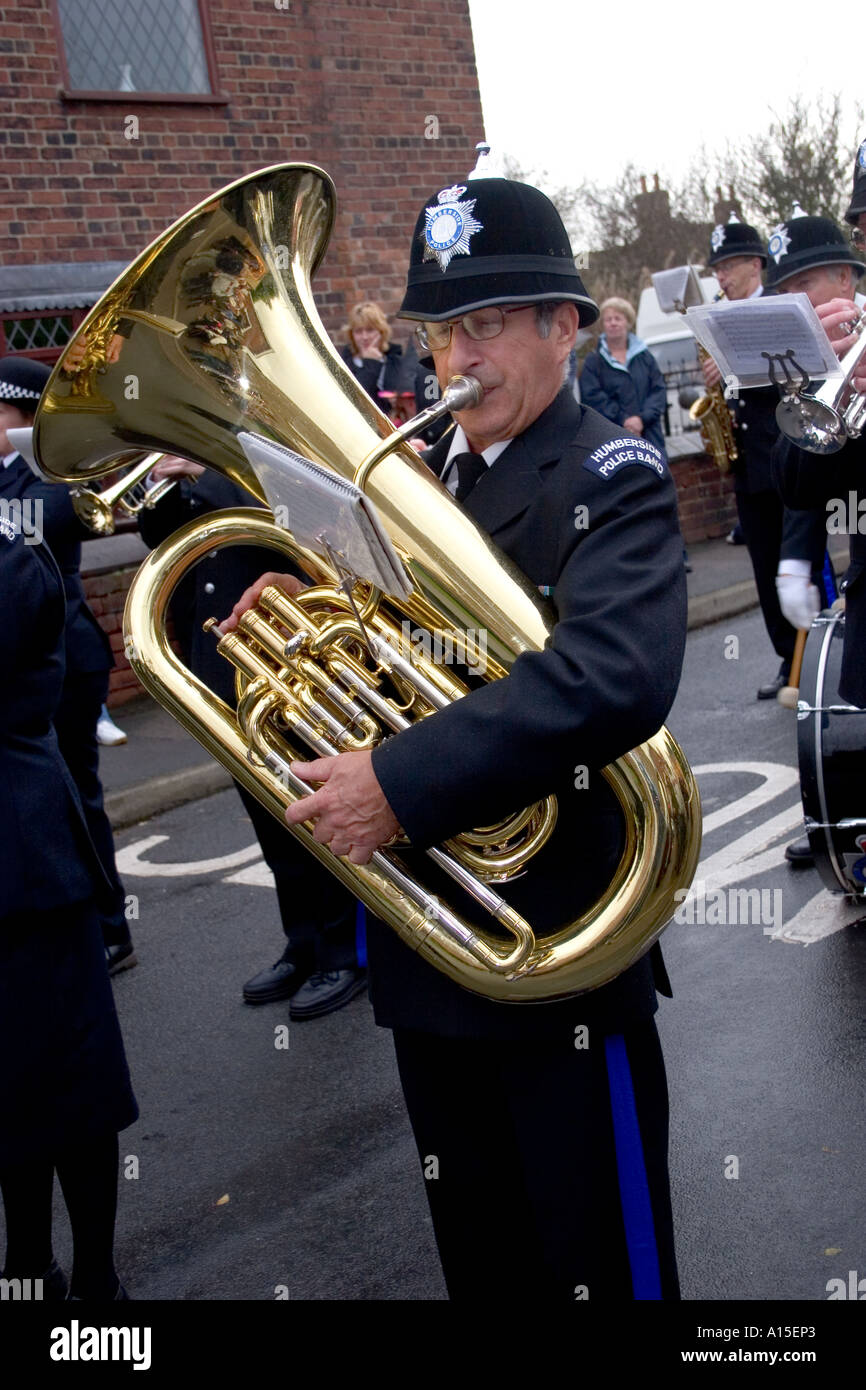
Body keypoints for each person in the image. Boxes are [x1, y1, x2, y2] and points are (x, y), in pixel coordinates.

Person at [223, 176, 688, 1299]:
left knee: (602, 1270)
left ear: (562, 324)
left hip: (560, 953)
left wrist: (395, 778)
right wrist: (316, 618)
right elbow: (409, 664)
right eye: (439, 332)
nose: (453, 360)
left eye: (484, 325)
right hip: (433, 958)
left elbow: (608, 676)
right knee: (486, 1268)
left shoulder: (606, 474)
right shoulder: (423, 488)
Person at [138, 458, 367, 1019]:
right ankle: (303, 943)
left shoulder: (265, 457)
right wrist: (161, 486)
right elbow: (159, 537)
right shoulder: (196, 475)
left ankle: (346, 952)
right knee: (270, 818)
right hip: (223, 660)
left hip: (293, 663)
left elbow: (309, 529)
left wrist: (207, 471)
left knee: (318, 809)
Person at [0, 508, 138, 1301]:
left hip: (24, 858)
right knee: (11, 1082)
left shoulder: (13, 555)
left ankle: (96, 1281)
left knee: (72, 1080)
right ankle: (25, 1265)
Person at [0, 356, 136, 975]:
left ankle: (109, 927)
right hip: (27, 659)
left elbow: (41, 531)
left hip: (64, 654)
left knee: (75, 793)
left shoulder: (46, 480)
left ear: (23, 417)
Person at [700, 215, 826, 701]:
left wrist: (730, 366)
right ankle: (784, 660)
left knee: (803, 565)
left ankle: (815, 657)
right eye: (717, 269)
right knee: (763, 563)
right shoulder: (718, 314)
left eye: (729, 265)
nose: (722, 277)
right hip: (748, 461)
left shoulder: (776, 308)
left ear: (756, 263)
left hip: (786, 451)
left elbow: (791, 375)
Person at [770, 203, 866, 714]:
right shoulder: (803, 361)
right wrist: (815, 384)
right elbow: (796, 486)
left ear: (846, 278)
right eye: (784, 292)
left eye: (804, 285)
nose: (793, 302)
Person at [579, 296, 668, 455]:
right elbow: (592, 397)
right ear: (603, 325)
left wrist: (642, 419)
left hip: (650, 436)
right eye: (608, 319)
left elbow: (658, 390)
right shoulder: (594, 361)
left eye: (618, 318)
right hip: (614, 440)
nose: (613, 323)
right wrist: (624, 420)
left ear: (628, 322)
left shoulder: (645, 357)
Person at [338, 301, 406, 410]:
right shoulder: (344, 365)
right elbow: (357, 399)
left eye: (370, 330)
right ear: (352, 334)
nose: (364, 337)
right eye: (358, 331)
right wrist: (371, 362)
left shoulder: (395, 360)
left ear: (381, 331)